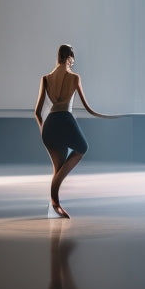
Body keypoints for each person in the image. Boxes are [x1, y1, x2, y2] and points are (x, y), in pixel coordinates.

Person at [34, 44, 110, 218]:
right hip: (65, 120)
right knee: (82, 148)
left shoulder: (46, 78)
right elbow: (88, 108)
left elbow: (37, 113)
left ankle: (55, 205)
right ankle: (54, 202)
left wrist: (43, 131)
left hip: (50, 124)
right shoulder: (74, 78)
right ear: (70, 57)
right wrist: (103, 116)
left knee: (58, 169)